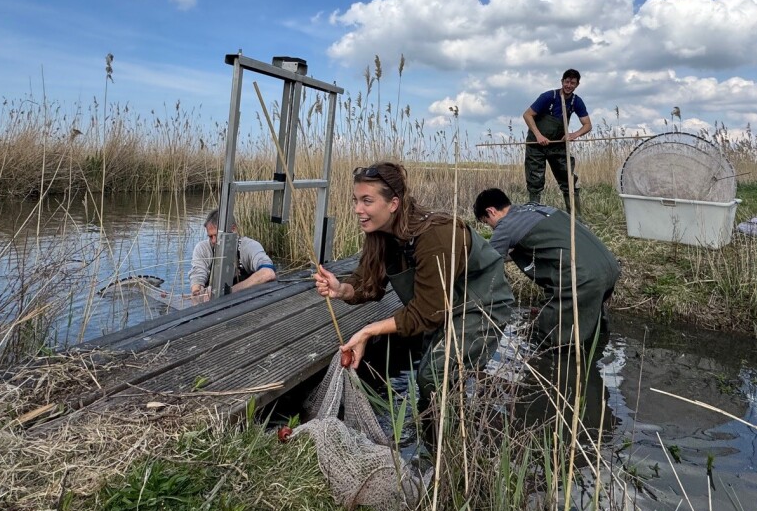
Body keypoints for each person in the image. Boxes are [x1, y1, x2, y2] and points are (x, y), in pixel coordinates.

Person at [313, 162, 515, 403]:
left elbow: (428, 312)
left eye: (367, 201)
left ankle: (445, 434)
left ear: (393, 204)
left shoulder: (436, 235)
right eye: (355, 200)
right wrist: (342, 289)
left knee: (433, 374)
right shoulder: (381, 234)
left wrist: (368, 331)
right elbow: (369, 282)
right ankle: (444, 417)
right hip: (445, 305)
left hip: (481, 305)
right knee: (432, 369)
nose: (357, 209)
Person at [473, 187, 618, 349]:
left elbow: (487, 262)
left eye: (487, 223)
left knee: (550, 340)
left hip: (582, 278)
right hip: (609, 268)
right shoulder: (537, 208)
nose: (491, 228)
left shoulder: (504, 227)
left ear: (491, 211)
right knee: (593, 331)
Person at [522, 68, 591, 207]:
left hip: (558, 145)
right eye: (567, 82)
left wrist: (574, 135)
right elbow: (527, 115)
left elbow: (587, 125)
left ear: (577, 85)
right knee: (535, 181)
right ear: (562, 81)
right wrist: (538, 135)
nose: (569, 85)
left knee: (569, 180)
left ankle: (575, 219)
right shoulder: (548, 97)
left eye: (573, 83)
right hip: (536, 145)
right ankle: (534, 215)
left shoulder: (576, 102)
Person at [189, 207, 276, 301]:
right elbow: (197, 275)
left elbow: (268, 273)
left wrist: (230, 292)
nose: (213, 241)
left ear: (233, 229)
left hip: (246, 300)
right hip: (213, 303)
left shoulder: (249, 246)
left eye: (217, 236)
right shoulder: (202, 248)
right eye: (210, 236)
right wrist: (197, 292)